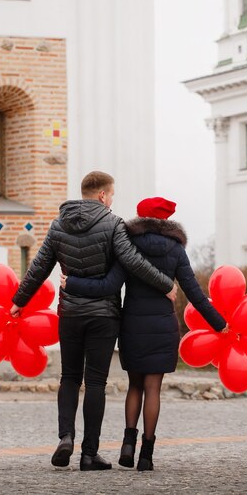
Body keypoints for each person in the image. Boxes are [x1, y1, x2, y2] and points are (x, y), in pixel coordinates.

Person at [10, 173, 178, 471]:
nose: (112, 200)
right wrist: (166, 284)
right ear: (102, 195)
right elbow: (133, 262)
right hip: (103, 316)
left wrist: (19, 300)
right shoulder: (113, 224)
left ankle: (65, 437)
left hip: (70, 313)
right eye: (111, 195)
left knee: (69, 377)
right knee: (96, 382)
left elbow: (39, 266)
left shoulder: (58, 224)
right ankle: (89, 454)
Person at [61, 196, 227, 471]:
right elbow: (195, 294)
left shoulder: (129, 246)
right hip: (162, 327)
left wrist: (73, 284)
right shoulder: (175, 250)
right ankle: (146, 455)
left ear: (140, 219)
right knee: (153, 388)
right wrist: (220, 324)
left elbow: (109, 284)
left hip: (133, 326)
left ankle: (128, 444)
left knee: (135, 386)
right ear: (165, 221)